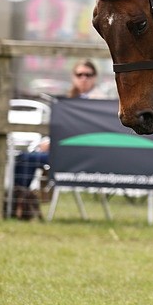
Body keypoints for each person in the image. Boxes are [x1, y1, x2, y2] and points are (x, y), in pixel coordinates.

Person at [11, 60, 102, 218]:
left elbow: (87, 131)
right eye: (79, 74)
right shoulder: (68, 100)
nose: (84, 78)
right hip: (61, 149)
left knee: (27, 159)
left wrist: (54, 142)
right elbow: (62, 126)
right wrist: (48, 141)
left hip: (82, 154)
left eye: (88, 75)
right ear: (73, 77)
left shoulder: (100, 102)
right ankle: (19, 202)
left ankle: (18, 203)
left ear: (95, 77)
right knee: (23, 157)